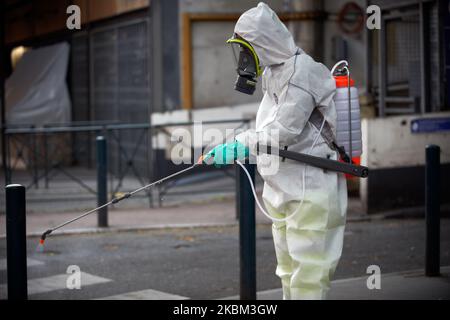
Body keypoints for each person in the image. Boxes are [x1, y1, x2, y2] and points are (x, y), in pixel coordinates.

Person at [205, 2, 348, 300]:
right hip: (284, 186)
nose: (244, 58)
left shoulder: (301, 73)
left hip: (310, 189)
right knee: (287, 270)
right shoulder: (274, 72)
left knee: (309, 274)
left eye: (247, 49)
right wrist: (236, 145)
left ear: (263, 44)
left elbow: (283, 131)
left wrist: (238, 145)